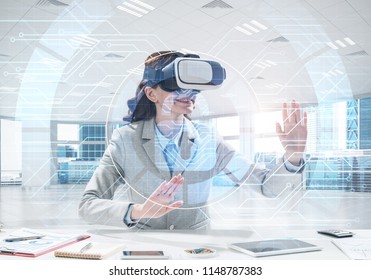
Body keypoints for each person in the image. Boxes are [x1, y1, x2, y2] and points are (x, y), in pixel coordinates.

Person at [78, 50, 307, 230]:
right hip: (144, 248)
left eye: (193, 88)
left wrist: (293, 154)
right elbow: (88, 205)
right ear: (151, 94)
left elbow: (266, 186)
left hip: (197, 250)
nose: (189, 94)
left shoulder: (209, 139)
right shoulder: (125, 140)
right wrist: (139, 210)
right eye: (177, 87)